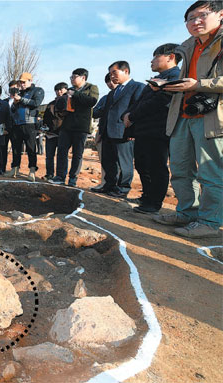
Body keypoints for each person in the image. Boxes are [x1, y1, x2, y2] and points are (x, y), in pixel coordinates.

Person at [153, 1, 223, 238]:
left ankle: (210, 221)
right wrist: (168, 86)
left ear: (220, 14)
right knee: (181, 169)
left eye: (202, 15)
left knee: (210, 172)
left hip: (212, 116)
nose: (195, 22)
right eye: (190, 18)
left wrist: (200, 85)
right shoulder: (188, 46)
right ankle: (187, 212)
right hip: (182, 114)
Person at [120, 44, 182, 214]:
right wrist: (127, 114)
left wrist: (132, 116)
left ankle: (154, 202)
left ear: (170, 57)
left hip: (158, 130)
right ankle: (146, 196)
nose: (152, 61)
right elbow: (139, 102)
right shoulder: (157, 78)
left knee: (156, 166)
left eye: (156, 57)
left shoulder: (176, 77)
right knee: (142, 164)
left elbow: (159, 101)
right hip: (143, 129)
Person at [95, 61, 145, 198]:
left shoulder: (138, 87)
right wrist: (101, 131)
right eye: (110, 73)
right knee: (108, 161)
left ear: (126, 71)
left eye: (114, 72)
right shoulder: (113, 92)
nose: (111, 76)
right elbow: (106, 113)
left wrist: (132, 131)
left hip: (124, 132)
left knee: (124, 162)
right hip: (108, 132)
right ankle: (109, 185)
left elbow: (138, 109)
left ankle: (123, 188)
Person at [50, 68, 99, 187]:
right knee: (62, 151)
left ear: (83, 77)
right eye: (71, 77)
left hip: (81, 127)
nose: (72, 79)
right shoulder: (69, 90)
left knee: (77, 154)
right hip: (66, 126)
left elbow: (92, 101)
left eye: (74, 76)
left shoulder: (91, 88)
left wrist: (75, 94)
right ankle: (60, 176)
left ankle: (73, 178)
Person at [9, 73, 44, 181]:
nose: (22, 84)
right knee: (16, 148)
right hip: (17, 124)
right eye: (20, 82)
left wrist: (21, 99)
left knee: (31, 148)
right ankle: (15, 169)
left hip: (29, 124)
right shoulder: (19, 93)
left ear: (30, 81)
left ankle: (32, 170)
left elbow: (36, 103)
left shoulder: (37, 90)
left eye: (24, 82)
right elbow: (13, 110)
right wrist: (15, 102)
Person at [91, 73, 118, 189]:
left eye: (113, 81)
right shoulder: (105, 98)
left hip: (120, 133)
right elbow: (95, 112)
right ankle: (105, 183)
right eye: (108, 81)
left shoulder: (125, 96)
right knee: (105, 161)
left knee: (120, 161)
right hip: (104, 132)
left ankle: (119, 186)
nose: (110, 84)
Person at [42, 82, 68, 181]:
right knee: (49, 156)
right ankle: (49, 174)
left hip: (64, 134)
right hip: (51, 134)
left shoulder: (69, 103)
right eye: (57, 90)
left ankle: (61, 176)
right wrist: (45, 127)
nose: (59, 92)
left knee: (62, 156)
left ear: (66, 90)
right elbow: (45, 118)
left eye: (61, 89)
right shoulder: (51, 104)